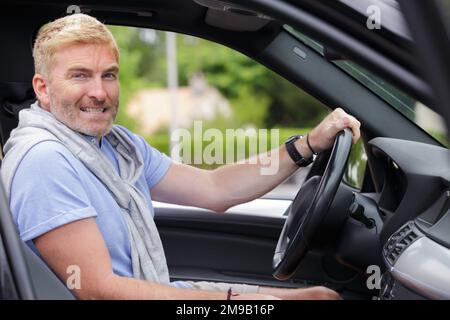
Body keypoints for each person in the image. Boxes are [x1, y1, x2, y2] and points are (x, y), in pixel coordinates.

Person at [1, 14, 361, 300]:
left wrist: (307, 145)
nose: (99, 92)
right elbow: (100, 291)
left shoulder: (117, 145)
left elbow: (213, 188)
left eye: (108, 75)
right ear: (43, 89)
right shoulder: (44, 160)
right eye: (80, 76)